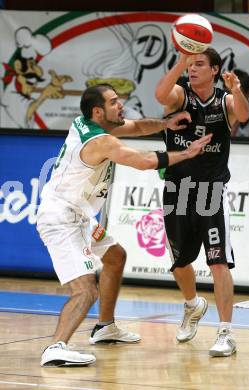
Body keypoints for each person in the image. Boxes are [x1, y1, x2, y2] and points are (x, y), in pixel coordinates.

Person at [36, 83, 212, 367]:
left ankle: (105, 327)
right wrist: (186, 153)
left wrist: (166, 124)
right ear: (98, 111)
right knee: (85, 289)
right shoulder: (100, 141)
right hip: (62, 219)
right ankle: (56, 347)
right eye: (114, 102)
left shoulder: (87, 123)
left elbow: (138, 127)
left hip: (79, 215)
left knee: (115, 257)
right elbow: (143, 161)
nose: (121, 105)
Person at [155, 48, 249, 357]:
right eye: (190, 65)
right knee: (180, 263)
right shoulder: (180, 95)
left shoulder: (224, 101)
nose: (192, 69)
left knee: (218, 262)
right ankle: (193, 304)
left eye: (199, 65)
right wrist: (181, 61)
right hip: (176, 190)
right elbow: (160, 94)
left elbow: (244, 114)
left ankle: (225, 332)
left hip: (210, 191)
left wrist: (236, 89)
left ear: (214, 70)